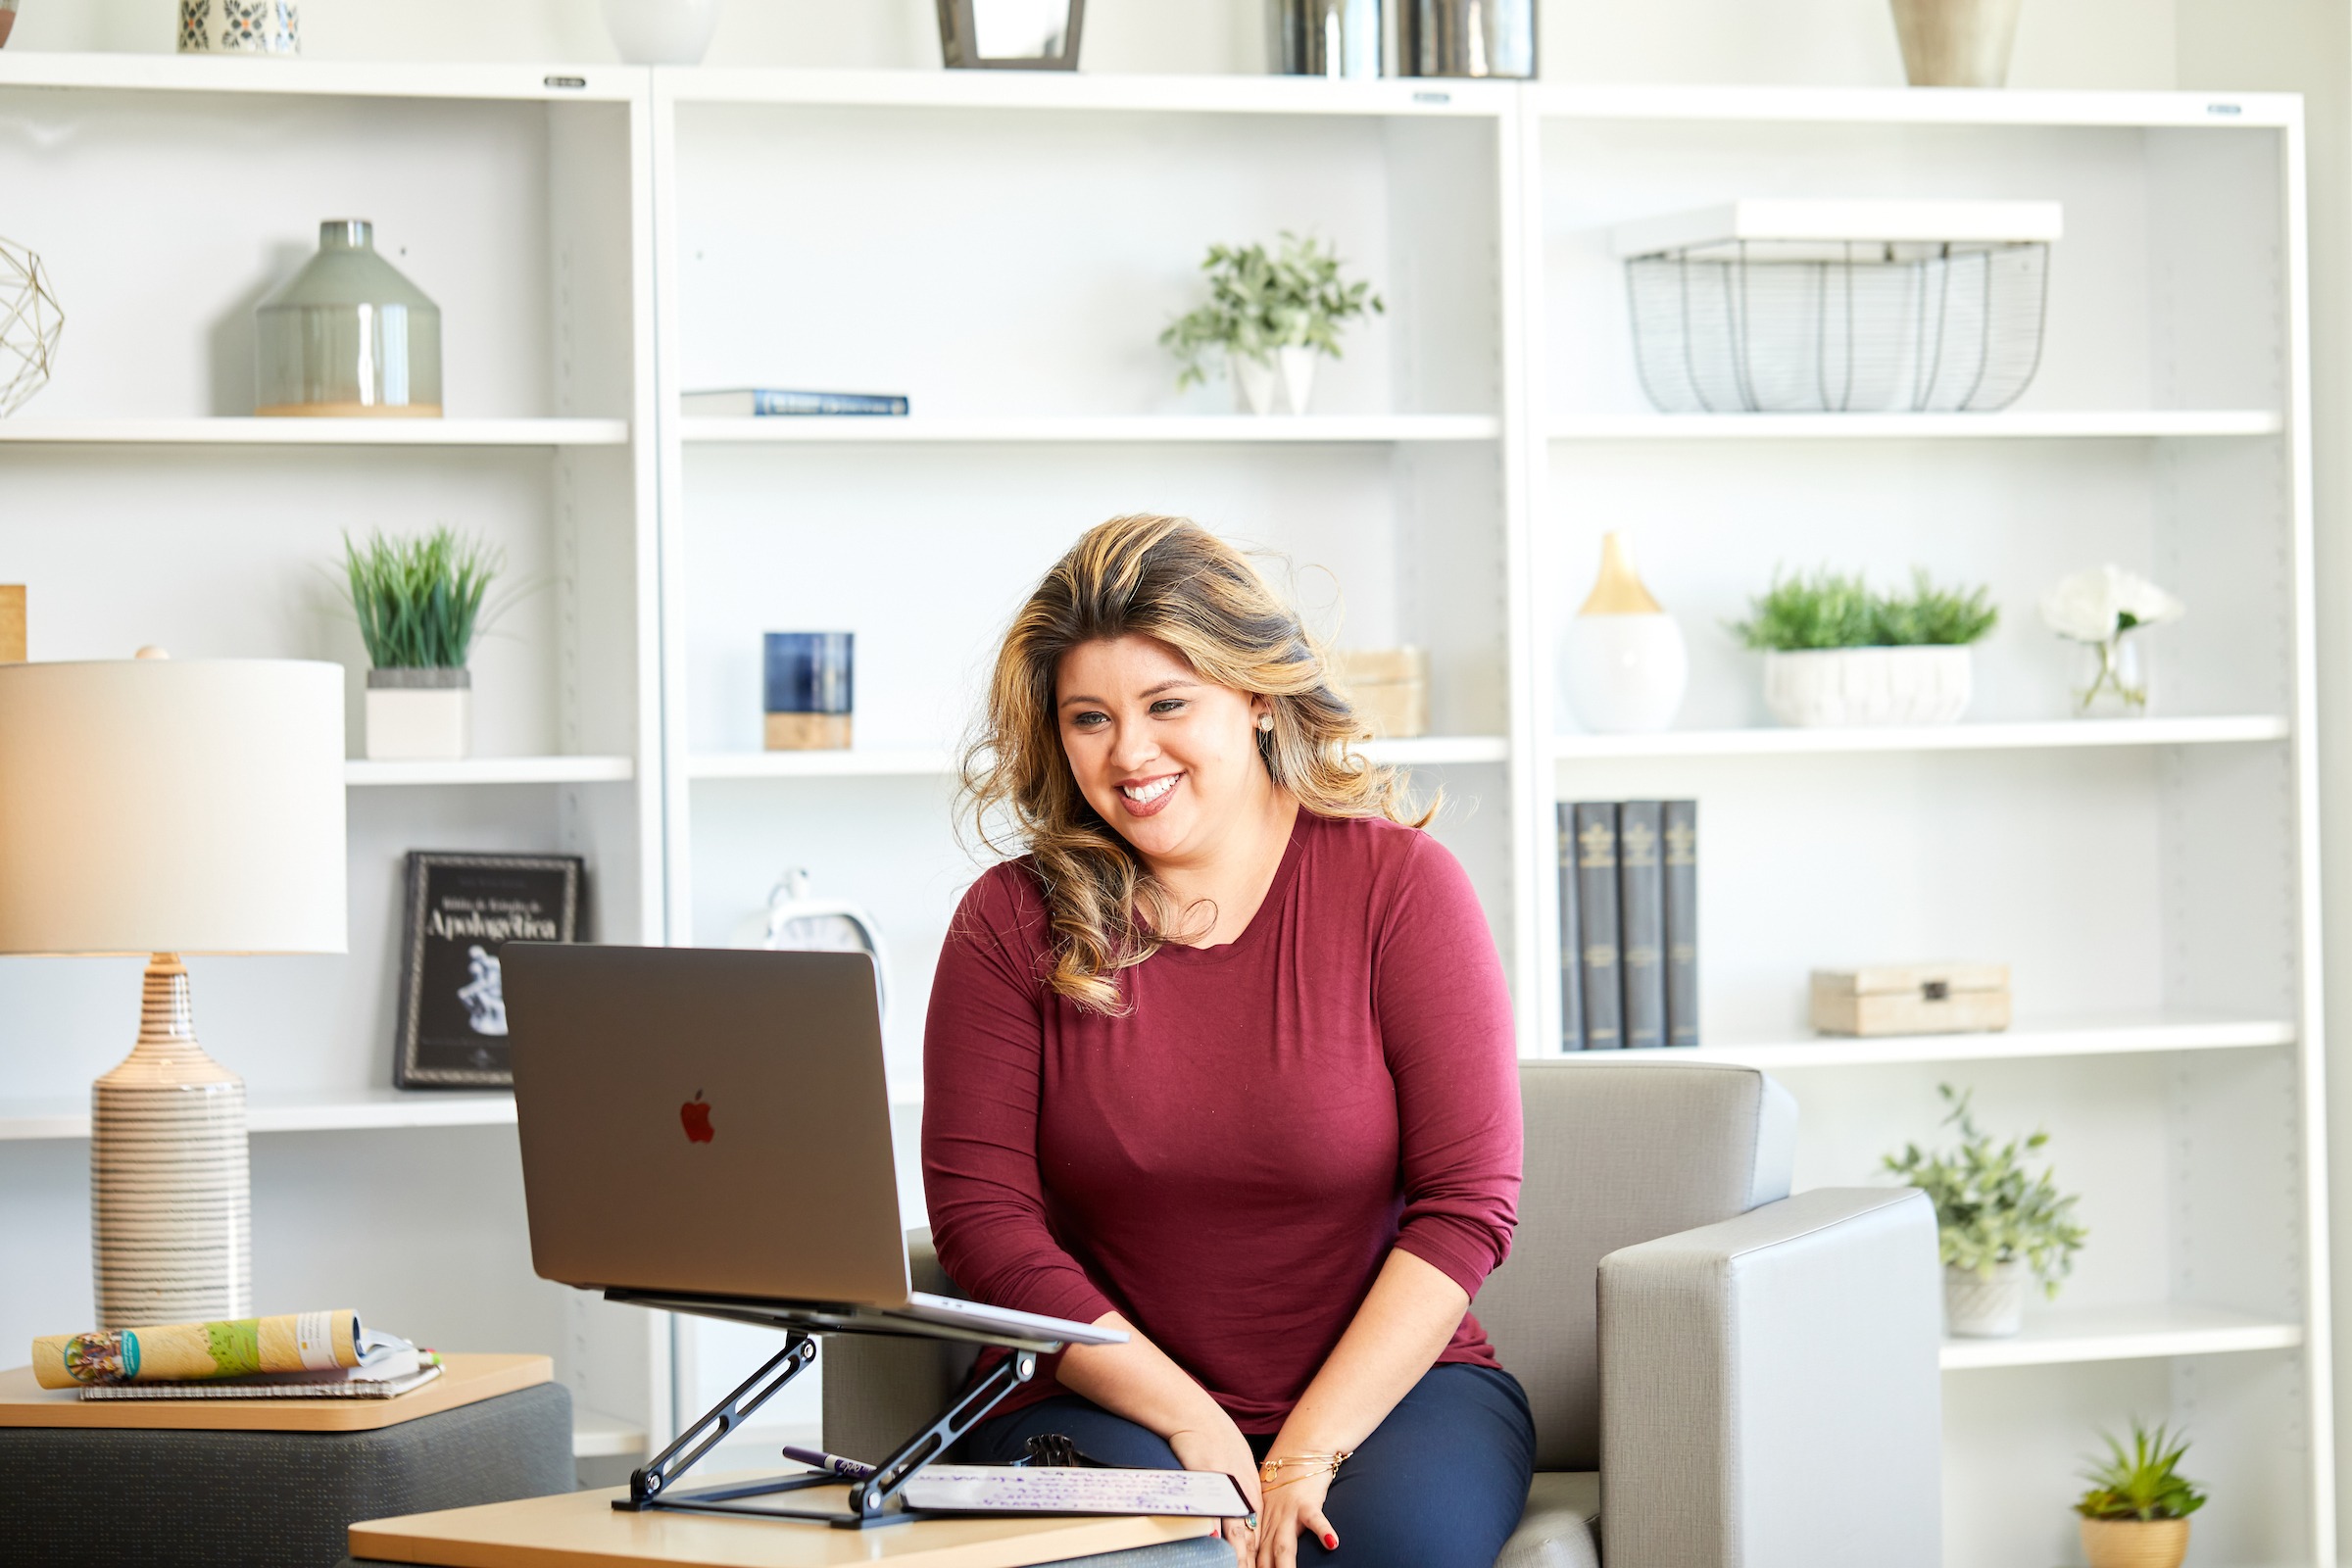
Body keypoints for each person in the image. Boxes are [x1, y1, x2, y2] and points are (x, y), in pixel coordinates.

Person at [923, 514, 1531, 1568]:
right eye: (1089, 718)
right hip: (1106, 1398)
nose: (1130, 753)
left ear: (1255, 696)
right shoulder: (1009, 922)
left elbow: (1466, 1206)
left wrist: (1302, 1455)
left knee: (1381, 1554)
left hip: (1391, 1402)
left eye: (1168, 704)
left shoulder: (1400, 890)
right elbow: (985, 1226)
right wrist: (1192, 1425)